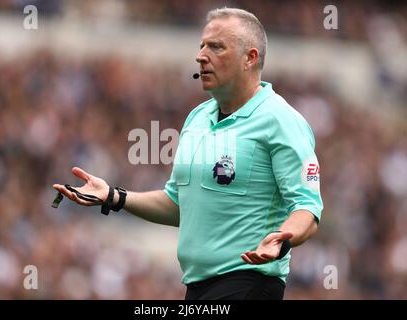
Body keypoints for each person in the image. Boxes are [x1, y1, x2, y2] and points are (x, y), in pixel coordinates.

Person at [53, 7, 323, 300]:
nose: (201, 55)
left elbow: (307, 207)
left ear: (250, 58)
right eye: (202, 46)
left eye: (216, 47)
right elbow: (179, 204)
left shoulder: (281, 120)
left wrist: (283, 239)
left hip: (249, 284)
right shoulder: (197, 118)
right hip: (197, 288)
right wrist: (114, 197)